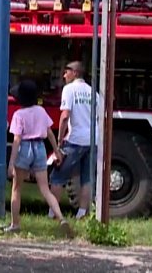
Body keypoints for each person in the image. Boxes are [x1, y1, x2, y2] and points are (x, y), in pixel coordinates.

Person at [2, 80, 71, 236]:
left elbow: (17, 139)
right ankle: (61, 218)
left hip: (25, 148)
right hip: (40, 147)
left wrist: (11, 163)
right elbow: (50, 133)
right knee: (45, 189)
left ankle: (15, 224)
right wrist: (56, 151)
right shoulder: (41, 111)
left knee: (17, 188)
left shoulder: (18, 114)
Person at [49, 61, 100, 220]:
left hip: (75, 140)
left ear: (76, 73)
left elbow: (65, 116)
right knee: (87, 178)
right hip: (93, 140)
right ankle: (82, 213)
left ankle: (53, 213)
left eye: (67, 72)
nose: (64, 75)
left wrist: (59, 140)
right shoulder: (94, 93)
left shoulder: (69, 90)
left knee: (58, 176)